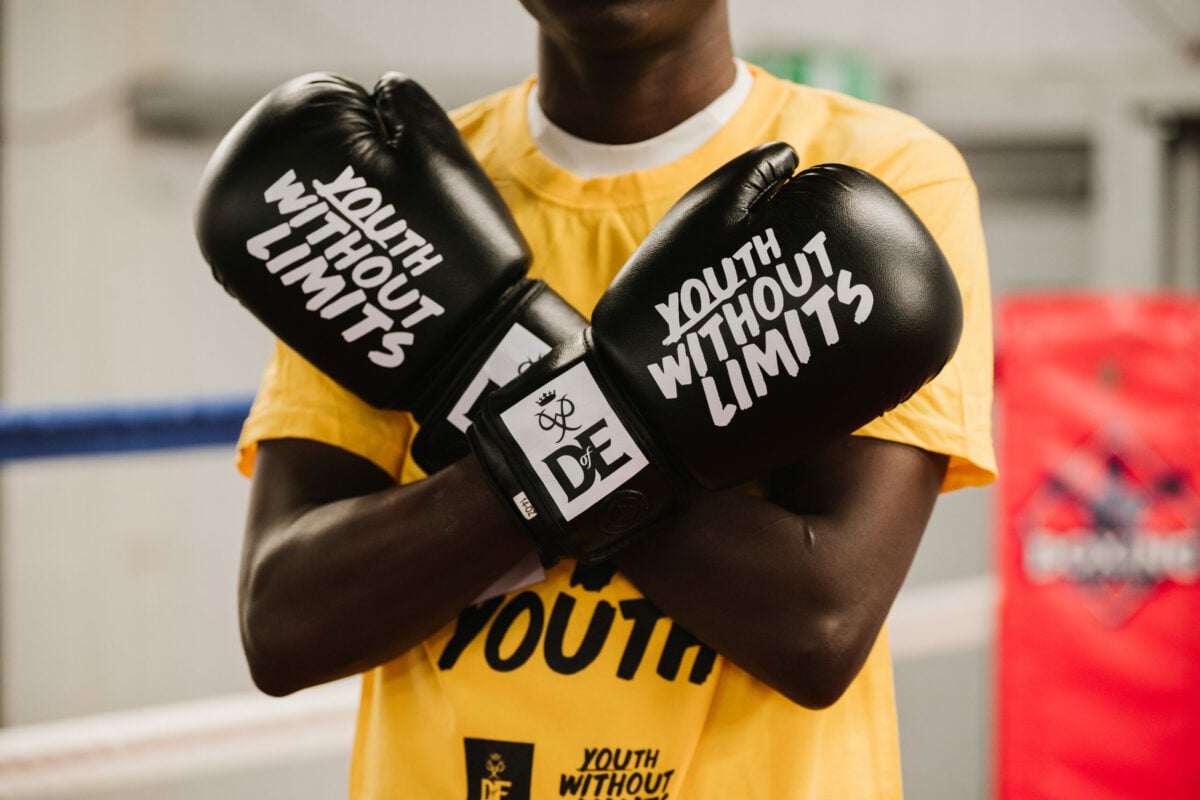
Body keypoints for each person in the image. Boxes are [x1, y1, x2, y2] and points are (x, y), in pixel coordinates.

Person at [228, 0, 996, 796]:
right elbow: (285, 624)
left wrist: (483, 371)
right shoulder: (376, 201)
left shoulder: (885, 171)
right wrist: (627, 417)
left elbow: (817, 622)